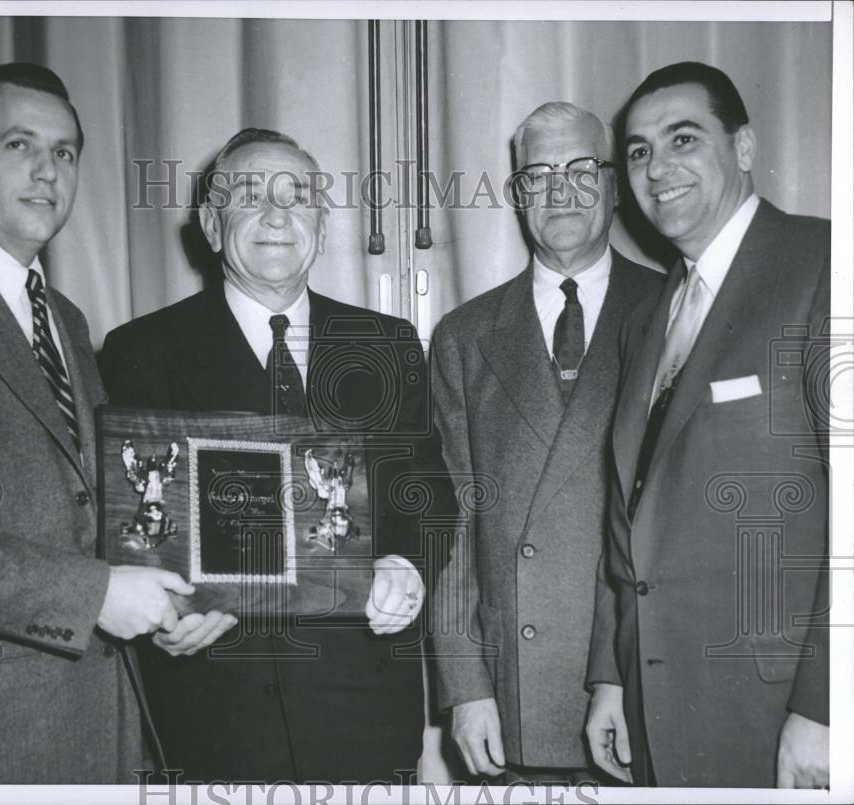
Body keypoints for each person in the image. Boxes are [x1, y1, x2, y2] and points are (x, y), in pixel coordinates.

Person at [99, 128, 450, 783]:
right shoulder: (141, 349)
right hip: (214, 713)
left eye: (298, 197)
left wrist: (405, 559)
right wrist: (166, 615)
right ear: (210, 224)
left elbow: (426, 491)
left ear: (321, 220)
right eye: (250, 196)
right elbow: (127, 524)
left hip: (363, 710)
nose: (277, 215)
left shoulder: (387, 343)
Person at [0, 62, 194, 783]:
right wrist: (97, 595)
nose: (47, 172)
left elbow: (95, 508)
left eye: (65, 152)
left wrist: (184, 595)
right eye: (19, 145)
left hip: (103, 725)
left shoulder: (67, 320)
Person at [584, 62, 830, 788]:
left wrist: (825, 707)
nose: (657, 169)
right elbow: (629, 516)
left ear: (745, 148)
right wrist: (612, 675)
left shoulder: (823, 264)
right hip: (657, 705)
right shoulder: (645, 318)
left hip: (782, 715)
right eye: (637, 151)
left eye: (682, 138)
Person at [430, 102, 661, 785]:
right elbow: (449, 523)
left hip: (644, 679)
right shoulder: (463, 335)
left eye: (582, 169)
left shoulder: (673, 310)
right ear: (516, 196)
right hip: (514, 696)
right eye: (538, 175)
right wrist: (466, 685)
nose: (560, 191)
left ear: (616, 186)